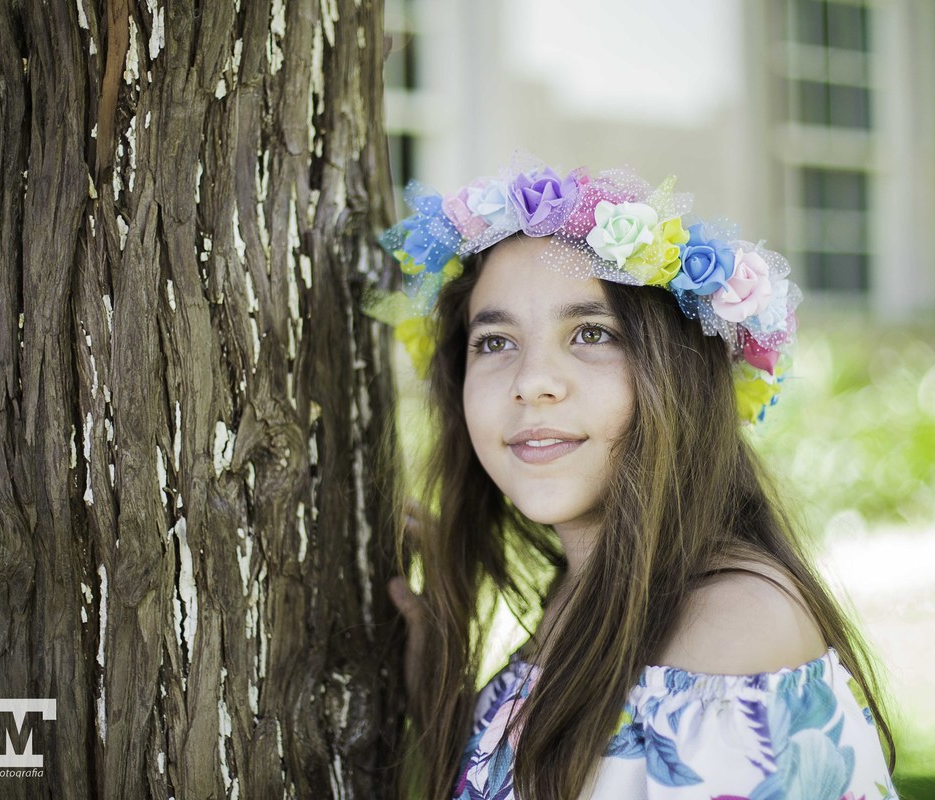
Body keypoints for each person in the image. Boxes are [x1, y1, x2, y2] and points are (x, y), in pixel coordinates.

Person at [370, 155, 898, 800]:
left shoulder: (732, 629)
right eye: (496, 342)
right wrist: (443, 699)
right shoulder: (578, 595)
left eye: (592, 333)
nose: (532, 382)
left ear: (680, 377)